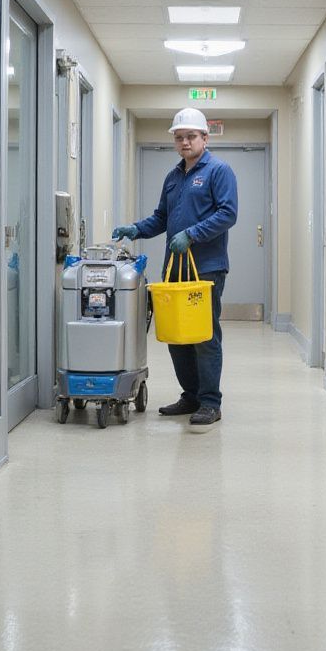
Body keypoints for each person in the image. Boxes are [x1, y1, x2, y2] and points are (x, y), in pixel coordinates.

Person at [112, 108, 237, 432]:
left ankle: (211, 403)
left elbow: (228, 214)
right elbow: (161, 218)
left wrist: (192, 234)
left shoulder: (218, 171)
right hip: (175, 269)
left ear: (204, 138)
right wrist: (136, 229)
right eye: (179, 137)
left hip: (206, 270)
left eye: (191, 136)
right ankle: (191, 396)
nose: (184, 141)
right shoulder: (173, 177)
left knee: (203, 336)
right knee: (177, 336)